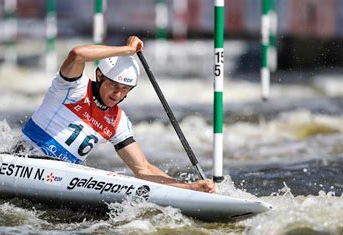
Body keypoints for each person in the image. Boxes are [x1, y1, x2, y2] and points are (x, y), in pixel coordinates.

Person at [15, 36, 215, 193]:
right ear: (100, 76)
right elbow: (77, 54)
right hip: (23, 159)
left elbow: (143, 169)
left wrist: (188, 188)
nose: (117, 93)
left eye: (125, 88)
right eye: (113, 85)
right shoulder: (72, 87)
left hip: (60, 176)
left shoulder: (118, 122)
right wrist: (127, 51)